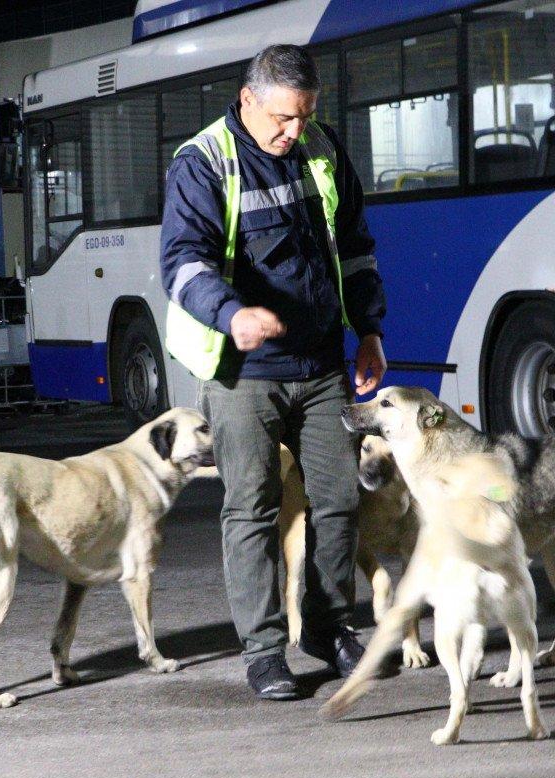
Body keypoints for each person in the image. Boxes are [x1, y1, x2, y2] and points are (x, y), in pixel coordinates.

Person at [160, 44, 387, 700]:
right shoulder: (204, 161)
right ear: (247, 99)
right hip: (244, 371)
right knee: (251, 507)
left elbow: (354, 247)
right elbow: (183, 261)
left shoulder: (322, 147)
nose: (294, 131)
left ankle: (328, 627)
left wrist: (369, 329)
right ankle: (263, 651)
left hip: (321, 362)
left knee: (339, 498)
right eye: (283, 118)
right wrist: (231, 313)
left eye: (305, 116)